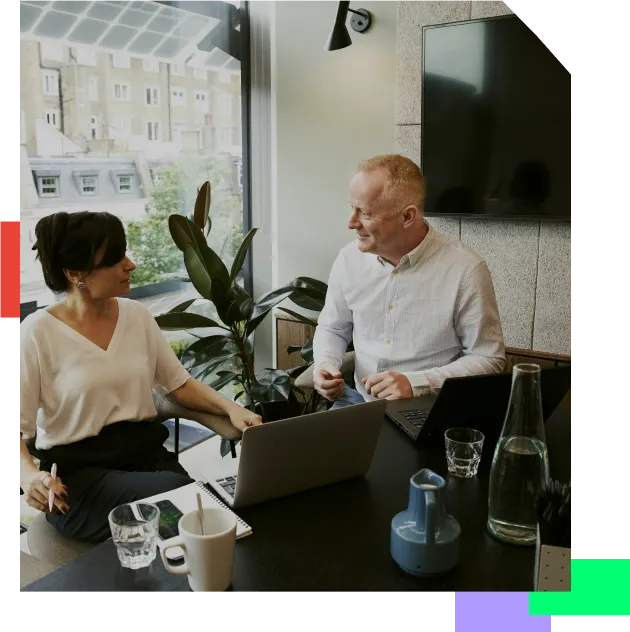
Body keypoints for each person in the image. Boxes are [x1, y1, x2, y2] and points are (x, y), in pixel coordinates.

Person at [19, 211, 261, 543]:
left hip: (148, 460)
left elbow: (178, 385)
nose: (130, 265)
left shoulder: (137, 316)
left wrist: (232, 408)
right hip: (81, 481)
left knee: (212, 518)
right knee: (189, 505)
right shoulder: (37, 332)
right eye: (115, 259)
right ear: (75, 273)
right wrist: (29, 476)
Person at [313, 154, 506, 407]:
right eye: (352, 208)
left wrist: (416, 383)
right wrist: (325, 363)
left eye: (366, 213)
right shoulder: (348, 259)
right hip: (358, 402)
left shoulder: (466, 270)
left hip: (430, 407)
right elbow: (333, 328)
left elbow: (489, 358)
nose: (351, 223)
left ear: (407, 216)